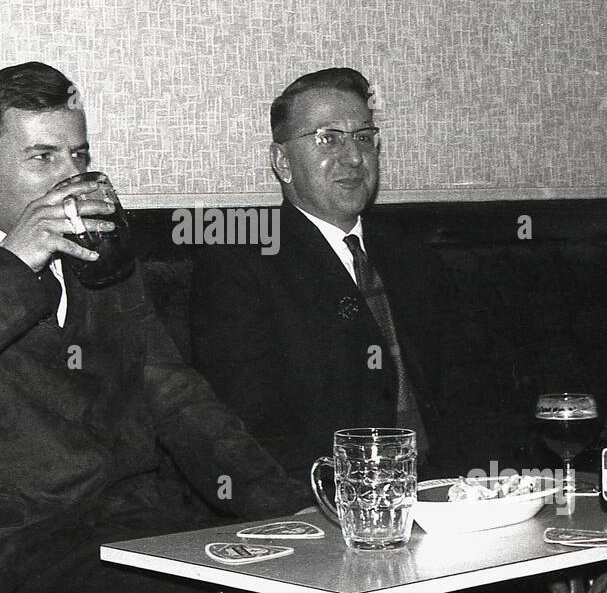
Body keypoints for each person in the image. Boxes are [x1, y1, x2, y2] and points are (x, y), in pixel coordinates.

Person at [0, 61, 309, 593]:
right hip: (1, 575)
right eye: (42, 158)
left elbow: (179, 399)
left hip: (132, 538)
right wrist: (17, 262)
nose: (70, 177)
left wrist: (291, 512)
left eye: (78, 155)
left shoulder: (102, 262)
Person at [190, 67, 454, 480]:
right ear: (282, 161)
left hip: (448, 491)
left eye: (364, 138)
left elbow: (469, 394)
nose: (353, 158)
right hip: (327, 496)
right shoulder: (240, 262)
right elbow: (250, 423)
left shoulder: (413, 256)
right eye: (327, 138)